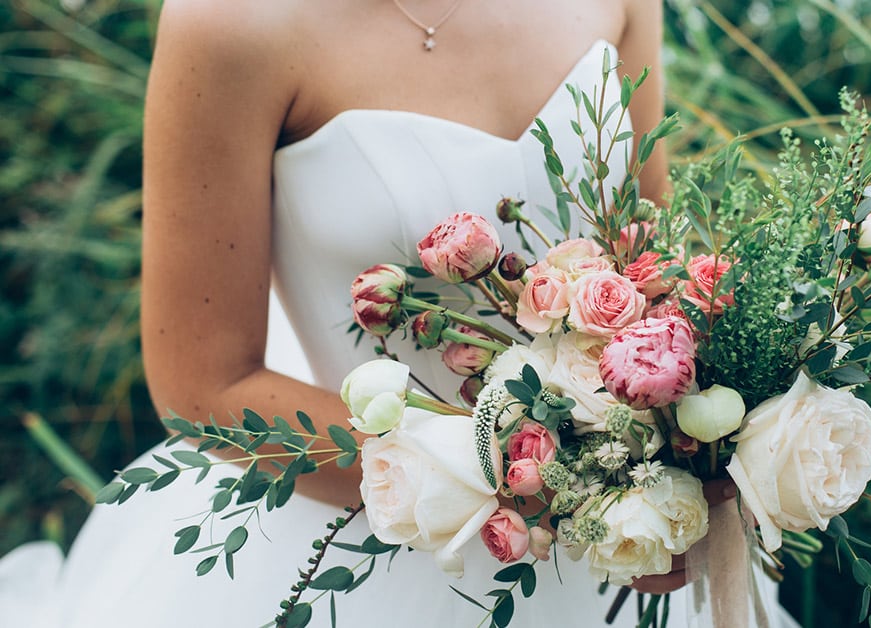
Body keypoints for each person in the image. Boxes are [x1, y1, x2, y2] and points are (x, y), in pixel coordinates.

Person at [0, 1, 798, 625]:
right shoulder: (229, 22)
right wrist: (532, 489)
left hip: (611, 548)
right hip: (361, 525)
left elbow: (647, 262)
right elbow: (202, 381)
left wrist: (689, 458)